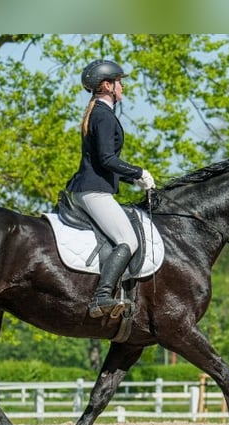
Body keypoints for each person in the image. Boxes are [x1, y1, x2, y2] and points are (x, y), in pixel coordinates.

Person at [65, 59, 155, 318]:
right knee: (129, 240)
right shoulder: (103, 115)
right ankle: (102, 296)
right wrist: (139, 172)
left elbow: (102, 162)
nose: (122, 87)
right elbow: (106, 159)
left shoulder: (99, 113)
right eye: (119, 82)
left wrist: (133, 180)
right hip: (93, 190)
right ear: (107, 85)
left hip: (90, 187)